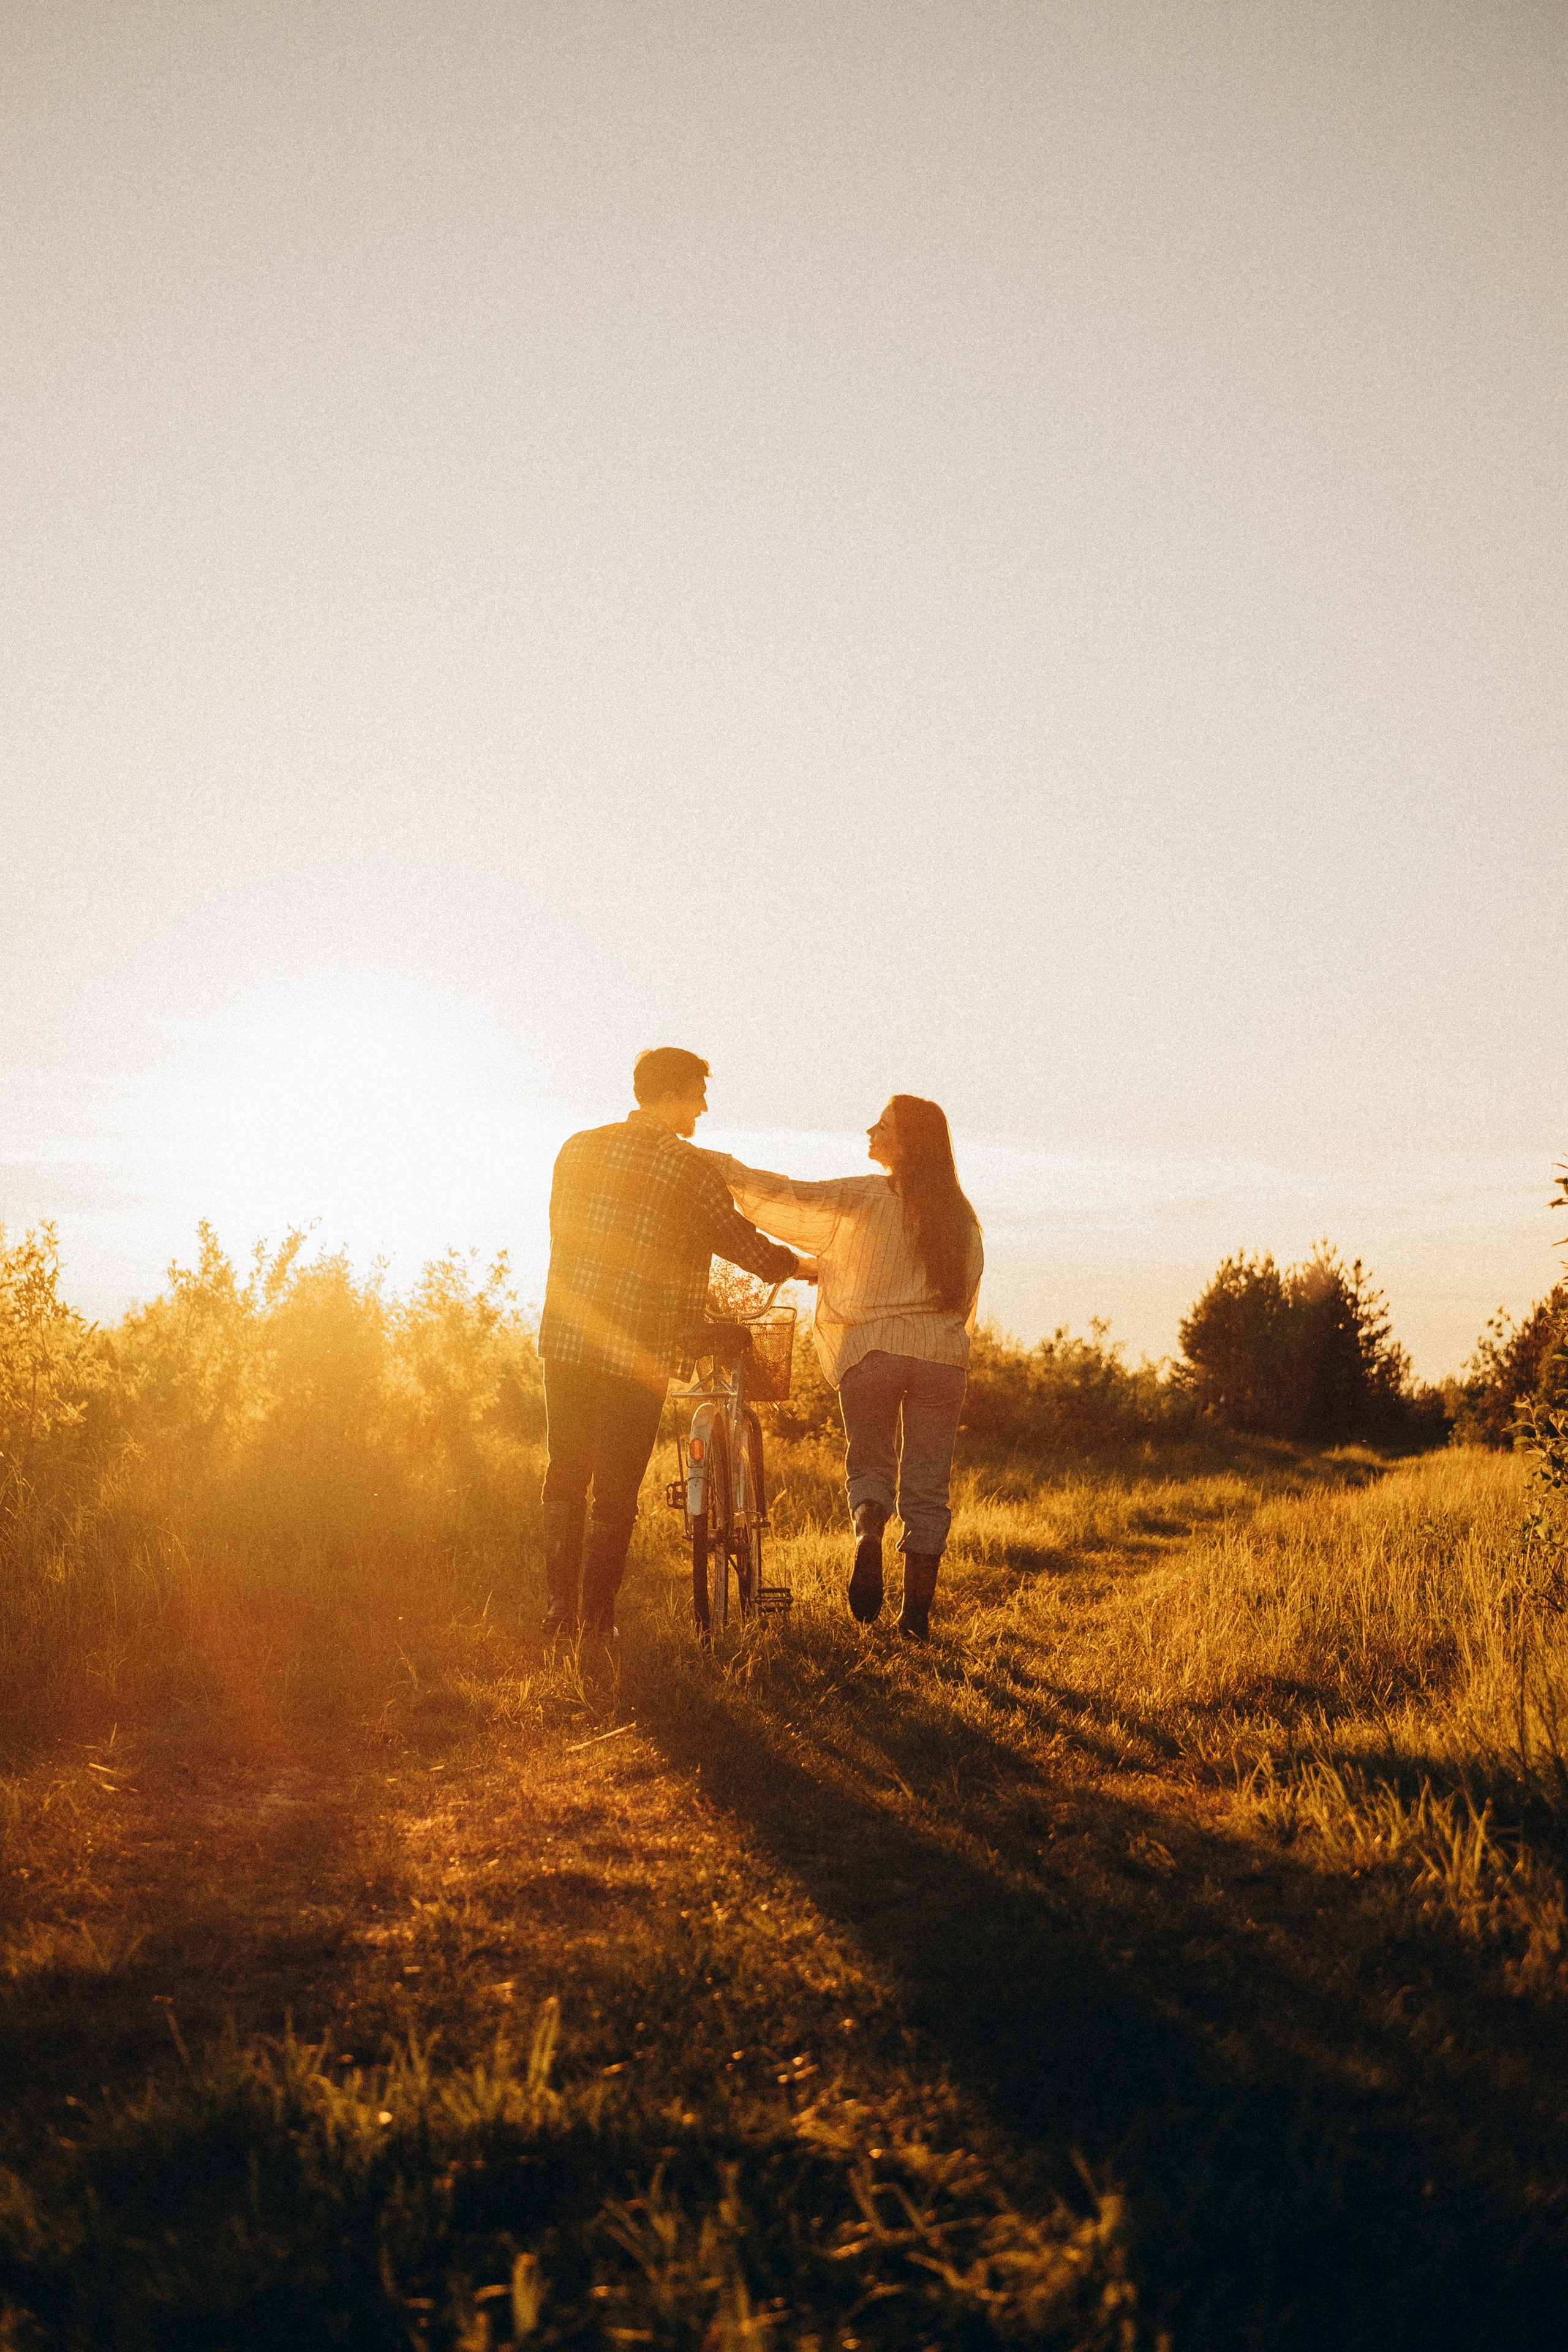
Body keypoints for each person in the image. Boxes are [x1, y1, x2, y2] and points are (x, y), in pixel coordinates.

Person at [536, 1047, 805, 1640]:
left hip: (568, 1332)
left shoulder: (575, 1148)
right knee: (615, 1486)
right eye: (697, 1095)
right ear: (676, 1093)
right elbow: (733, 1236)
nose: (703, 1108)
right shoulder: (684, 1166)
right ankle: (597, 1620)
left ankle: (559, 1613)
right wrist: (792, 1266)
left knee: (566, 1472)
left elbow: (562, 1230)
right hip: (638, 1344)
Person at [702, 1095, 982, 1639]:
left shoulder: (863, 1196)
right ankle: (915, 1620)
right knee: (928, 1486)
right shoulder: (959, 1214)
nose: (871, 1130)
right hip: (941, 1362)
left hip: (871, 1354)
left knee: (870, 1466)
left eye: (884, 1126)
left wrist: (715, 1165)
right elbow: (963, 1298)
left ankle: (868, 1540)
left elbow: (782, 1195)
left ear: (907, 1144)